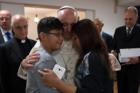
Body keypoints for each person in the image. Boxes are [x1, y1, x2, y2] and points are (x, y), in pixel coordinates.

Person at [38, 19, 113, 93]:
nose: (73, 43)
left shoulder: (92, 57)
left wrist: (57, 83)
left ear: (85, 37)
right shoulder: (95, 54)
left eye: (75, 38)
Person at [18, 5, 79, 85]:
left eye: (73, 25)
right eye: (64, 24)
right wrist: (24, 65)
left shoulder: (81, 41)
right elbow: (27, 74)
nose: (69, 29)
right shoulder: (45, 42)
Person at [26, 17, 63, 93]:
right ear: (43, 36)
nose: (61, 38)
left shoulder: (39, 54)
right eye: (57, 34)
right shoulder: (46, 60)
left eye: (61, 34)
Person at [1, 14, 36, 93]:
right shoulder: (4, 48)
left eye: (25, 26)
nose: (23, 30)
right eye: (18, 27)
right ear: (13, 28)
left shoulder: (35, 44)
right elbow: (3, 76)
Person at [112, 6, 140, 93]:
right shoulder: (118, 30)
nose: (127, 21)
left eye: (130, 19)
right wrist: (113, 52)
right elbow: (113, 47)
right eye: (126, 19)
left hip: (135, 70)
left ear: (137, 18)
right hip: (121, 70)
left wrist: (139, 59)